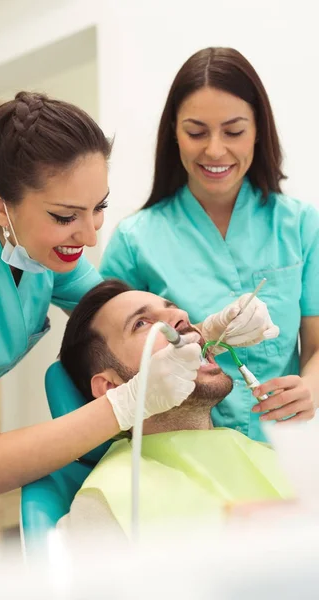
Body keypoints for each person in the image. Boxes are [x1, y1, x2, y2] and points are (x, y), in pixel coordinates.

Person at [0, 92, 214, 551]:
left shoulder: (45, 250)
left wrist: (208, 332)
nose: (91, 234)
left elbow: (118, 319)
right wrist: (127, 402)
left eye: (99, 206)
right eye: (65, 216)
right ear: (0, 206)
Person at [100, 47, 319, 441]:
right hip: (177, 452)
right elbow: (113, 361)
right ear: (174, 133)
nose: (215, 150)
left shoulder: (301, 226)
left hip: (282, 446)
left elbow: (317, 345)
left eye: (234, 131)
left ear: (258, 130)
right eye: (196, 132)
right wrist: (201, 334)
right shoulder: (134, 241)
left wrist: (311, 388)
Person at [57, 280, 293, 538]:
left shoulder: (279, 459)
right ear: (111, 387)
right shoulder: (107, 504)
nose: (181, 315)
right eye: (141, 323)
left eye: (174, 308)